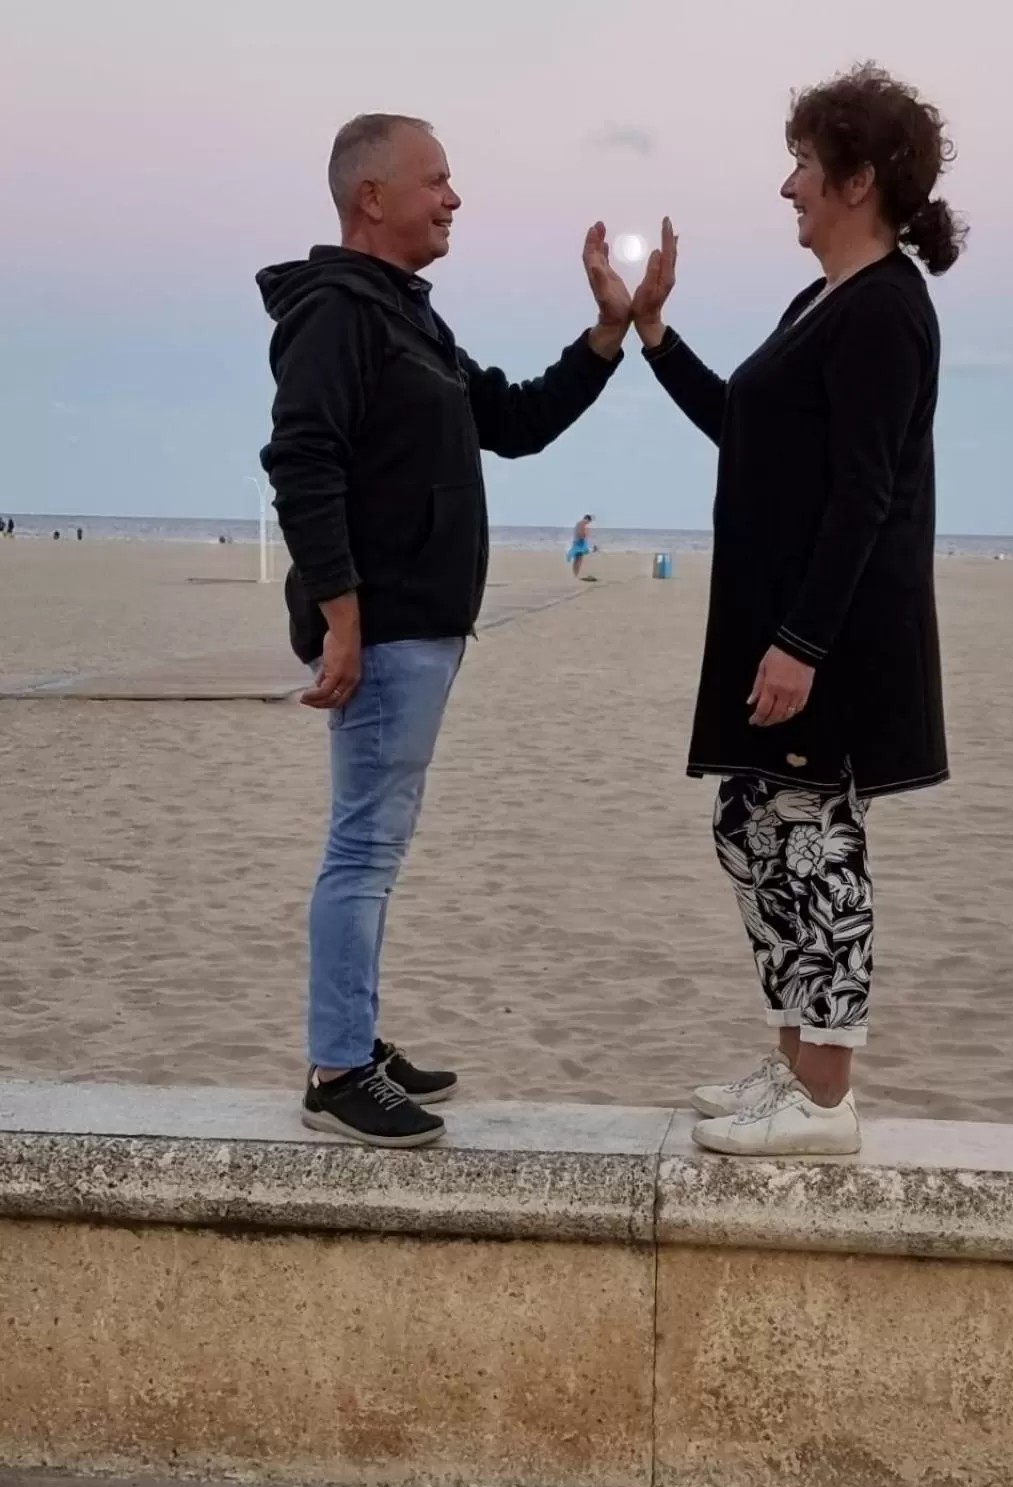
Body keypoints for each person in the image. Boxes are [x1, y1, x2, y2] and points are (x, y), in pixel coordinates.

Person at [259, 113, 629, 1148]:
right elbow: (302, 462)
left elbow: (510, 421)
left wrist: (605, 335)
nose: (455, 198)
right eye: (438, 181)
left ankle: (354, 1036)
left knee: (379, 841)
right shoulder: (338, 313)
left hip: (423, 624)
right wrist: (340, 617)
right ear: (371, 197)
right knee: (363, 847)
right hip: (383, 628)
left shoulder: (406, 318)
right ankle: (336, 1068)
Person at [630, 64, 964, 1156]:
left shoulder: (885, 311)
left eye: (803, 168)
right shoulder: (823, 301)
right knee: (749, 831)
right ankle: (792, 1066)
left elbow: (867, 493)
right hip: (781, 625)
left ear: (857, 180)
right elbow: (750, 425)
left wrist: (802, 643)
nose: (787, 187)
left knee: (815, 844)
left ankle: (824, 1097)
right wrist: (654, 334)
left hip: (833, 636)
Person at [567, 514, 598, 578]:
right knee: (579, 560)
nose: (588, 523)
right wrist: (585, 535)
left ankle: (575, 575)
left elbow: (578, 533)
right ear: (587, 519)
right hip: (579, 543)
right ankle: (575, 575)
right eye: (589, 522)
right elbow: (580, 534)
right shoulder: (582, 524)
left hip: (577, 543)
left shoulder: (579, 524)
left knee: (577, 560)